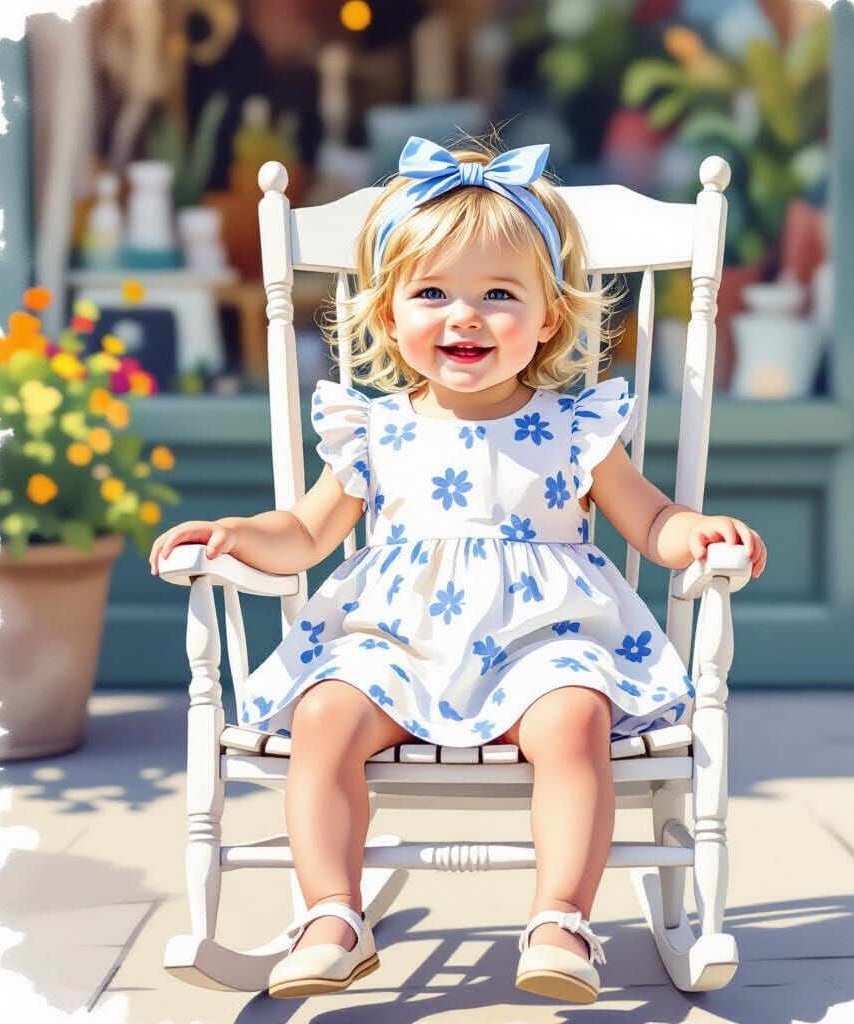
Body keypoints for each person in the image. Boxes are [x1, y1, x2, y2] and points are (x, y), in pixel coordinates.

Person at [148, 135, 767, 1005]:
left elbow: (650, 519)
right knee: (325, 715)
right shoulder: (373, 426)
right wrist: (237, 537)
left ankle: (560, 917)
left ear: (549, 317)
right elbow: (305, 532)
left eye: (498, 295)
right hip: (394, 646)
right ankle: (332, 913)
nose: (464, 316)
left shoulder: (576, 426)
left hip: (542, 643)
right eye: (432, 292)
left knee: (574, 723)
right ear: (390, 314)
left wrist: (697, 533)